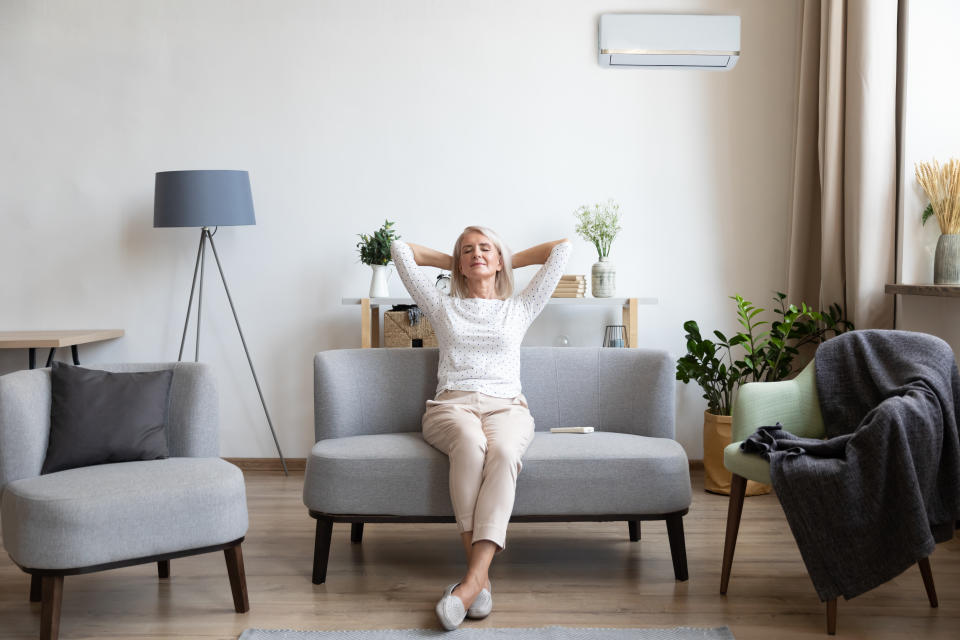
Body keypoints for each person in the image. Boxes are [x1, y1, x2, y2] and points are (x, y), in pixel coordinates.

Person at [390, 226, 571, 631]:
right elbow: (399, 250)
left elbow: (562, 249)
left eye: (484, 248)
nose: (477, 255)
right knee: (471, 446)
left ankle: (471, 583)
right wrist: (450, 260)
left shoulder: (519, 307)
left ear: (499, 258)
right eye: (467, 250)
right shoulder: (443, 306)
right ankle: (479, 580)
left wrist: (506, 256)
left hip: (508, 408)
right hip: (452, 406)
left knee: (505, 453)